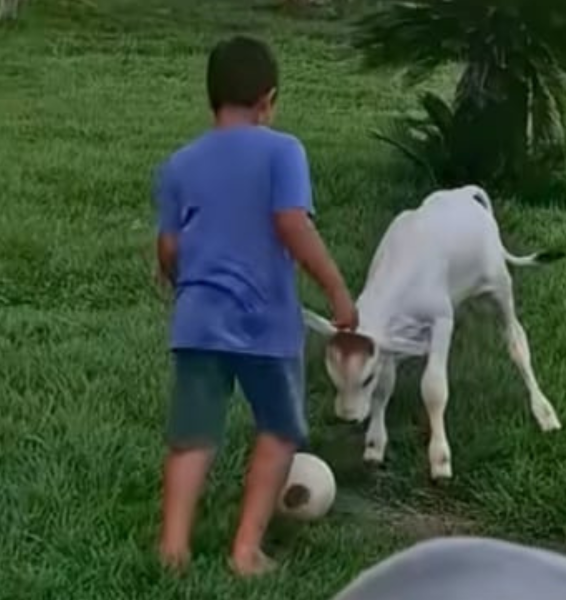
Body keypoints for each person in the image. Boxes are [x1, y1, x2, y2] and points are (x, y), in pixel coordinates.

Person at [152, 35, 357, 577]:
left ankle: (172, 547)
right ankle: (245, 550)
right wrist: (336, 289)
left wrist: (182, 282)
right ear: (268, 99)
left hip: (199, 321)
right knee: (279, 429)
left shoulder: (179, 164)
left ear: (211, 99)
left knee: (192, 434)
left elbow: (169, 249)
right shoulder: (283, 150)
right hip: (265, 323)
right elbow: (292, 223)